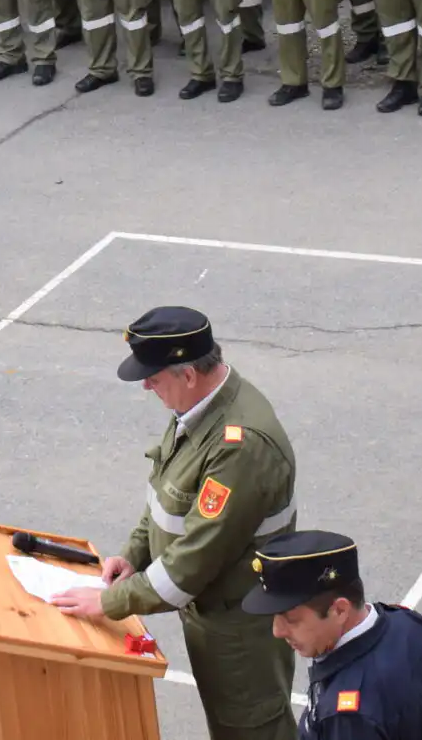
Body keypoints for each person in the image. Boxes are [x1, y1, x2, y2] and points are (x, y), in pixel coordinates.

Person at [48, 307, 298, 740]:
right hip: (213, 611)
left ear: (189, 374)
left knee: (249, 730)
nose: (146, 385)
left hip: (240, 629)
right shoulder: (199, 409)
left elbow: (193, 562)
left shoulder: (239, 446)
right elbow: (167, 496)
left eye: (153, 377)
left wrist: (109, 602)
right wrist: (135, 553)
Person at [244, 531, 422, 740]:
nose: (277, 631)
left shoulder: (348, 716)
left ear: (340, 610)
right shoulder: (407, 624)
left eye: (291, 619)